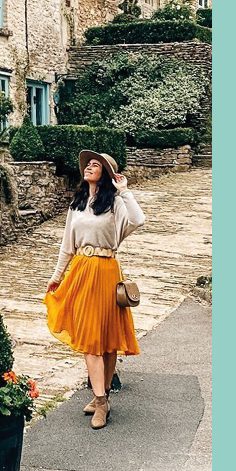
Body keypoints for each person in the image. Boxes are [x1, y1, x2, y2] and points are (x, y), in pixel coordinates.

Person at [44, 150, 145, 429]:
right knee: (90, 339)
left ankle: (104, 396)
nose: (89, 167)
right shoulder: (76, 203)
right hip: (80, 270)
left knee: (109, 339)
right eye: (87, 164)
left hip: (107, 270)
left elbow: (138, 220)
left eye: (95, 165)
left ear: (108, 175)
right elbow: (67, 245)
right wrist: (57, 276)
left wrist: (124, 191)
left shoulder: (115, 204)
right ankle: (100, 401)